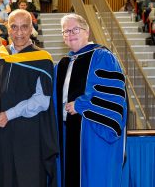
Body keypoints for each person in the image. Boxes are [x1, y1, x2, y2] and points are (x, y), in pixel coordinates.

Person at [0, 9, 58, 187]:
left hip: (27, 133)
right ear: (8, 29)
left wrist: (8, 115)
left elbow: (42, 101)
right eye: (14, 27)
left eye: (24, 27)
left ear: (31, 29)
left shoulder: (42, 59)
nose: (19, 32)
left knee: (26, 179)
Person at [53, 14, 128, 187]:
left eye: (75, 29)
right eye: (66, 31)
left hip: (92, 131)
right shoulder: (62, 64)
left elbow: (112, 95)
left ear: (86, 31)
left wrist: (81, 105)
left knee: (94, 178)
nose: (70, 34)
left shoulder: (102, 56)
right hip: (66, 132)